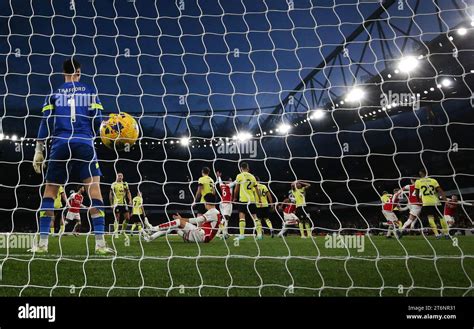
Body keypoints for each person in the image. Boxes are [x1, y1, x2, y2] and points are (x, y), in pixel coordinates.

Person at [31, 58, 112, 254]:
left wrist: (39, 149)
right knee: (94, 192)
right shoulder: (90, 90)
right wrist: (108, 135)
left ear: (63, 73)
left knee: (50, 192)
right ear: (79, 72)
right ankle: (100, 244)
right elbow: (98, 121)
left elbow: (46, 121)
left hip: (60, 143)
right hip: (84, 142)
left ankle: (42, 244)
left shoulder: (54, 93)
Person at [142, 194, 221, 243]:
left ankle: (153, 229)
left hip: (202, 236)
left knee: (178, 222)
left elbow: (197, 220)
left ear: (206, 202)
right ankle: (150, 238)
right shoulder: (214, 212)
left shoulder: (213, 212)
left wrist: (181, 219)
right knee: (174, 226)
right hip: (198, 237)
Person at [414, 169, 446, 239]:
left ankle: (437, 235)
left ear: (420, 174)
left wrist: (418, 200)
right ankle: (447, 234)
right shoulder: (433, 180)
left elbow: (416, 193)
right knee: (441, 217)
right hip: (436, 202)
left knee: (430, 218)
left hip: (426, 203)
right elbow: (441, 191)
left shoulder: (418, 181)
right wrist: (445, 200)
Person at [233, 162, 262, 240]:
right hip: (252, 200)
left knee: (242, 217)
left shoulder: (239, 176)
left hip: (243, 199)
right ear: (248, 168)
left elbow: (236, 188)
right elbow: (257, 189)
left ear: (241, 168)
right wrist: (259, 199)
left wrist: (234, 197)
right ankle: (259, 234)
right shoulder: (252, 176)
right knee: (255, 217)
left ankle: (242, 235)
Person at [110, 172, 132, 236]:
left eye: (121, 176)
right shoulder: (114, 184)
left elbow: (128, 192)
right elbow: (111, 194)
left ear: (123, 177)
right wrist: (111, 203)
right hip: (116, 204)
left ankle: (122, 230)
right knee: (117, 218)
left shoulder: (125, 184)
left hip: (124, 203)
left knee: (127, 218)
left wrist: (130, 200)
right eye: (119, 176)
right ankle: (116, 232)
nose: (120, 177)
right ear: (116, 177)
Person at [216, 170, 235, 239]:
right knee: (225, 219)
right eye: (230, 180)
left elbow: (220, 181)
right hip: (227, 203)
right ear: (227, 181)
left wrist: (219, 177)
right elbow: (236, 182)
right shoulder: (229, 185)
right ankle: (219, 233)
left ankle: (225, 233)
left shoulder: (222, 185)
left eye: (231, 180)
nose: (231, 181)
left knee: (226, 219)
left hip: (223, 203)